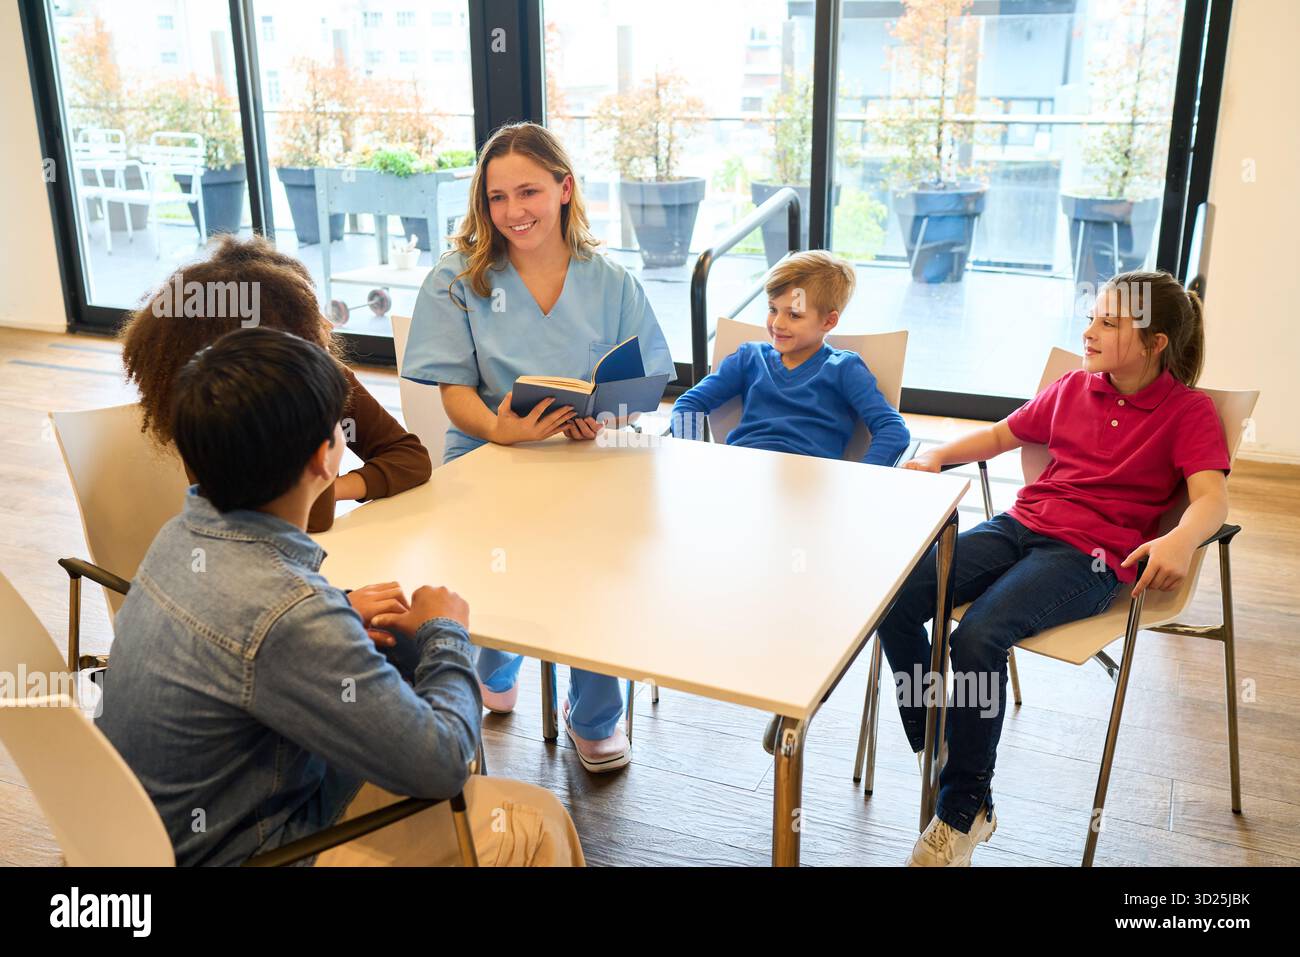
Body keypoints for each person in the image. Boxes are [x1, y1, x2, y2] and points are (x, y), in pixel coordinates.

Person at [96, 327, 583, 866]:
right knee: (535, 820)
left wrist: (338, 611)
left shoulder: (180, 539)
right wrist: (446, 632)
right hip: (253, 847)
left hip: (146, 836)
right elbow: (443, 761)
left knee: (393, 663)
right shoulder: (289, 614)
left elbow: (251, 637)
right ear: (323, 461)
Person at [884, 270, 1229, 866]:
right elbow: (1000, 434)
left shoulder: (1188, 412)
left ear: (1155, 343)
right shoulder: (1074, 386)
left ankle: (962, 809)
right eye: (1092, 317)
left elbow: (1211, 501)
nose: (1089, 331)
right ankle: (943, 739)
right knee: (892, 599)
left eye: (1108, 323)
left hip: (1091, 557)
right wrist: (937, 456)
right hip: (1020, 527)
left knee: (980, 637)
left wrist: (1179, 540)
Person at [402, 121, 675, 773]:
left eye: (527, 191)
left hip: (588, 454)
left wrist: (603, 416)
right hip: (489, 450)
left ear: (564, 189)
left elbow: (646, 382)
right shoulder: (456, 279)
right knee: (495, 558)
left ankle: (595, 713)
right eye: (497, 197)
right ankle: (494, 660)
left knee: (597, 561)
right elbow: (454, 391)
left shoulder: (611, 281)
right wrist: (502, 429)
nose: (513, 212)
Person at [120, 233, 432, 533]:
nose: (328, 324)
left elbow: (411, 458)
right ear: (271, 339)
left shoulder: (323, 380)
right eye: (309, 316)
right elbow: (315, 519)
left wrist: (331, 487)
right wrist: (318, 490)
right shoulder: (214, 415)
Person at [668, 249, 909, 466]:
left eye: (794, 315)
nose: (778, 324)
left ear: (828, 321)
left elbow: (893, 431)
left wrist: (862, 479)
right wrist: (692, 456)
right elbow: (688, 404)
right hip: (742, 473)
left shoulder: (844, 369)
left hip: (810, 488)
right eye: (773, 309)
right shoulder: (749, 358)